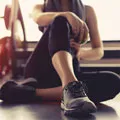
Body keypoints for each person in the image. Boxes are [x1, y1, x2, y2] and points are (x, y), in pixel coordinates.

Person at [0, 0, 120, 116]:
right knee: (60, 20)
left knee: (114, 81)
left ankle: (33, 92)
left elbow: (98, 51)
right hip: (41, 69)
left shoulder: (87, 10)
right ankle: (71, 87)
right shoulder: (39, 7)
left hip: (69, 70)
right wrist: (67, 15)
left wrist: (80, 52)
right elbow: (38, 18)